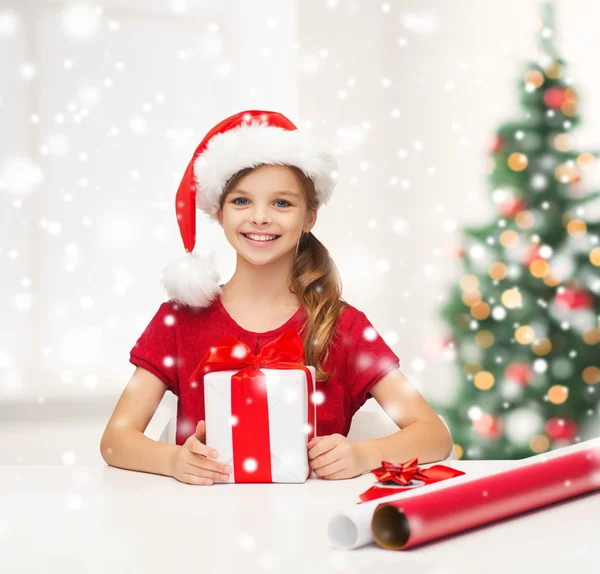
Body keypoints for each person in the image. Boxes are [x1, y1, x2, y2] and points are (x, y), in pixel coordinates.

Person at [100, 110, 453, 486]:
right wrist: (173, 461)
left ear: (310, 217)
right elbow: (115, 441)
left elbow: (434, 435)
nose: (261, 217)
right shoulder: (180, 320)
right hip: (201, 526)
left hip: (313, 525)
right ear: (219, 213)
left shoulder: (344, 327)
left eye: (282, 203)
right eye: (241, 201)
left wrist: (362, 454)